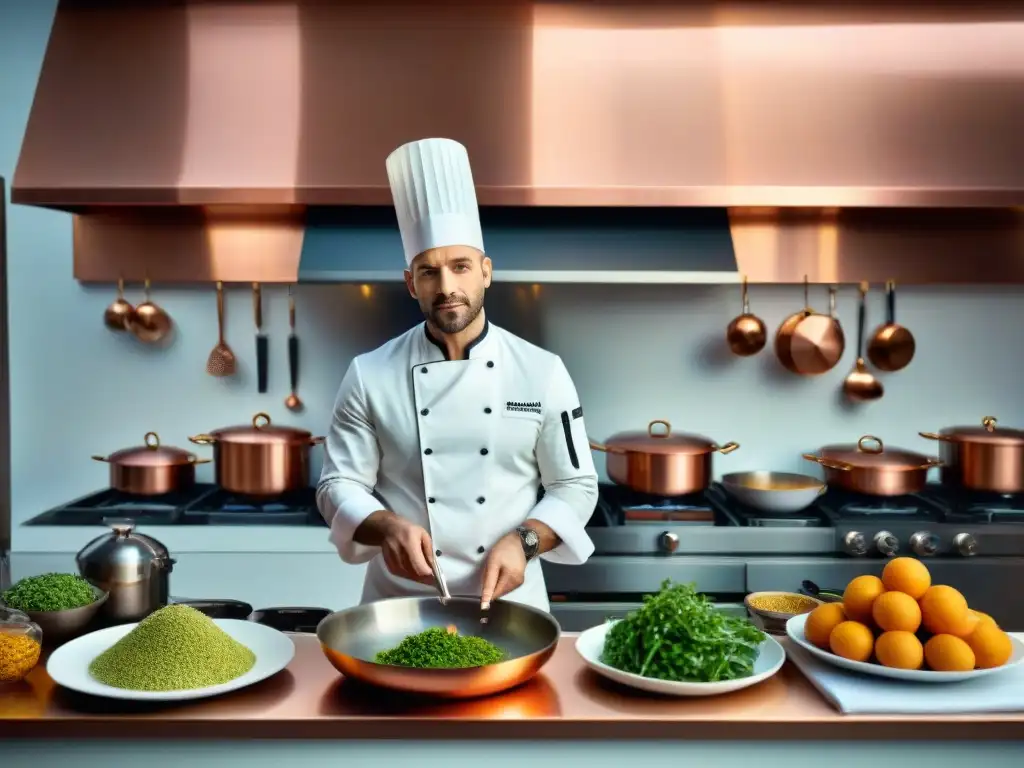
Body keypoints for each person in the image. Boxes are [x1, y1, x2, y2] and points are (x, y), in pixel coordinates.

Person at [316, 137, 599, 613]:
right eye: (428, 272)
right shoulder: (369, 375)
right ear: (411, 283)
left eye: (460, 267)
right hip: (396, 609)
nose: (446, 288)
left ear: (485, 272)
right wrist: (386, 525)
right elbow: (336, 485)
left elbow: (576, 485)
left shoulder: (542, 372)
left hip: (514, 608)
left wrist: (526, 541)